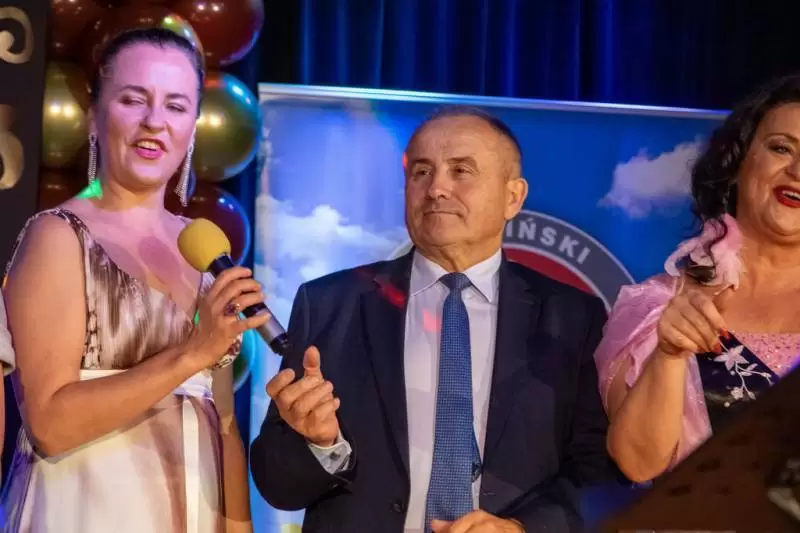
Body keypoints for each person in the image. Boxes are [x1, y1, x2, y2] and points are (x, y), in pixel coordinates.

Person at [250, 107, 617, 533]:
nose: (436, 188)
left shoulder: (572, 318)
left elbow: (598, 472)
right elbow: (277, 485)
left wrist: (521, 528)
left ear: (513, 198)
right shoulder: (330, 304)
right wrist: (321, 444)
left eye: (461, 171)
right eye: (421, 172)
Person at [0, 28, 267, 532]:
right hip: (86, 508)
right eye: (133, 99)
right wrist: (190, 354)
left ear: (192, 126)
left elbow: (225, 427)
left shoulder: (203, 247)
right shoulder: (58, 235)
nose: (154, 122)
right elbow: (49, 423)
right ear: (94, 116)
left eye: (175, 106)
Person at [594, 74, 800, 485]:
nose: (797, 171)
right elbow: (638, 463)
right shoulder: (656, 306)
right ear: (738, 162)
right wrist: (670, 355)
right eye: (781, 148)